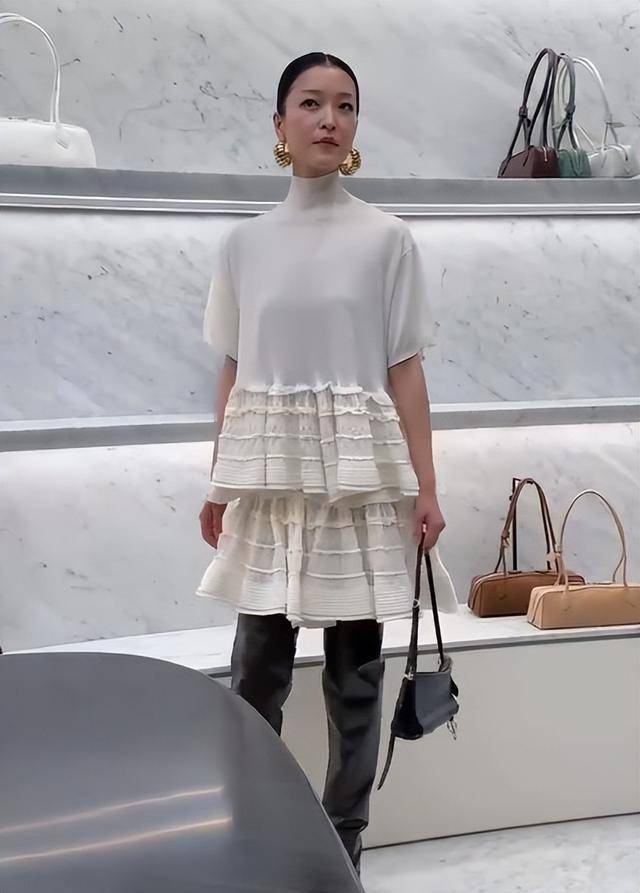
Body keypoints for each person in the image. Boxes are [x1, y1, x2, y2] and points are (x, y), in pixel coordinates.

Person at [197, 52, 457, 871]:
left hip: (358, 486)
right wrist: (219, 479)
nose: (329, 119)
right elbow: (234, 368)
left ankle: (343, 847)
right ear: (280, 124)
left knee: (355, 681)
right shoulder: (244, 244)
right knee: (255, 677)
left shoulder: (387, 239)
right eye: (310, 103)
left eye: (344, 105)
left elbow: (405, 370)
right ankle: (258, 835)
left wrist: (426, 486)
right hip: (271, 485)